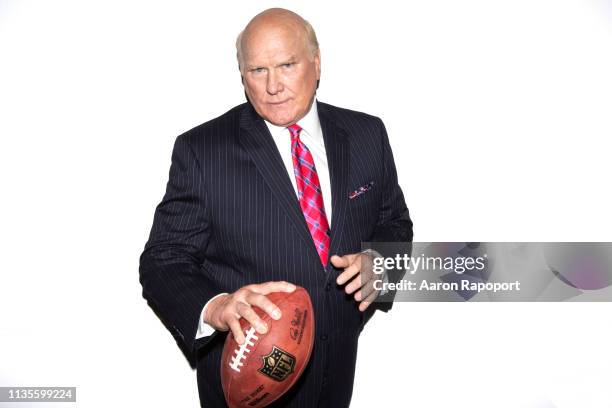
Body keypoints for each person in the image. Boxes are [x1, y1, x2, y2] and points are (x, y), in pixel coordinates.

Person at [139, 8, 412, 407]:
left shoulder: (367, 134)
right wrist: (215, 306)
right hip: (248, 386)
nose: (273, 86)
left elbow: (395, 224)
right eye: (257, 70)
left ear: (316, 64)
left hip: (336, 380)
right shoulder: (203, 151)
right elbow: (163, 259)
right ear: (242, 76)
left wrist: (379, 264)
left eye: (287, 64)